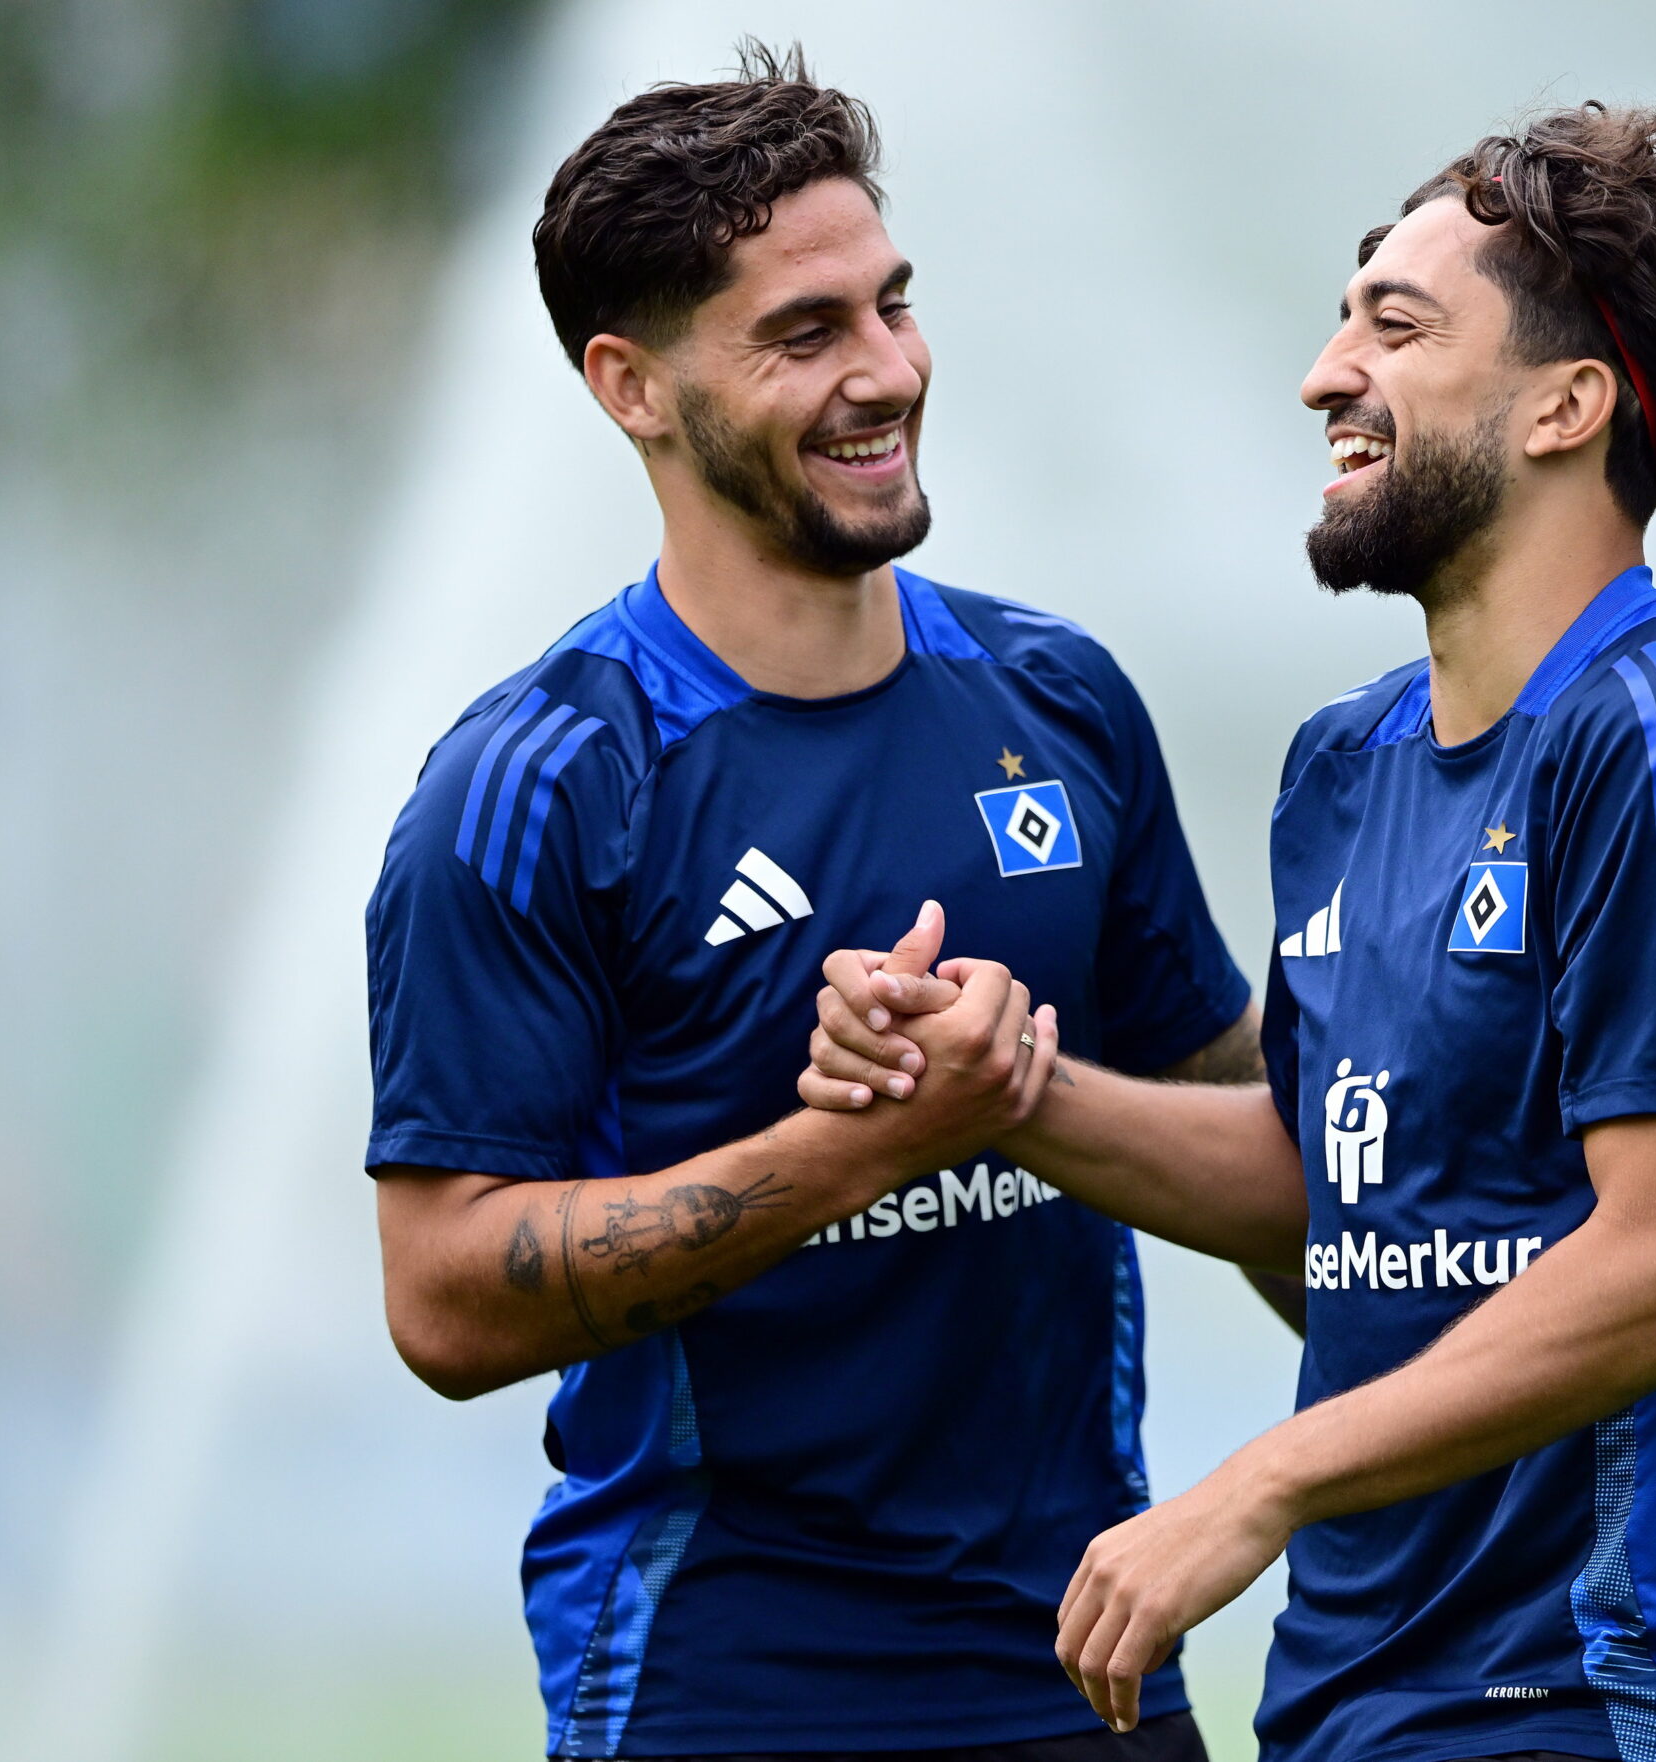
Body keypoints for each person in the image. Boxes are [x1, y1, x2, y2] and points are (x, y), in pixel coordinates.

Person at [803, 102, 1656, 1762]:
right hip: (1351, 1700)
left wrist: (1260, 1483)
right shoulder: (1345, 764)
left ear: (1567, 406)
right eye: (1342, 318)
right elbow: (1326, 1186)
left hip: (1612, 1697)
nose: (1323, 375)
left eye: (1397, 327)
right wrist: (1009, 1086)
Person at [364, 44, 1262, 1761]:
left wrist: (1032, 1097)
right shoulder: (540, 784)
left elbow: (1278, 1173)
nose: (887, 371)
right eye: (804, 333)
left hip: (1093, 1667)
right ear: (632, 386)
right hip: (726, 1685)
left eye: (891, 304)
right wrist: (851, 1150)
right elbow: (445, 1299)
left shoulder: (1060, 701)